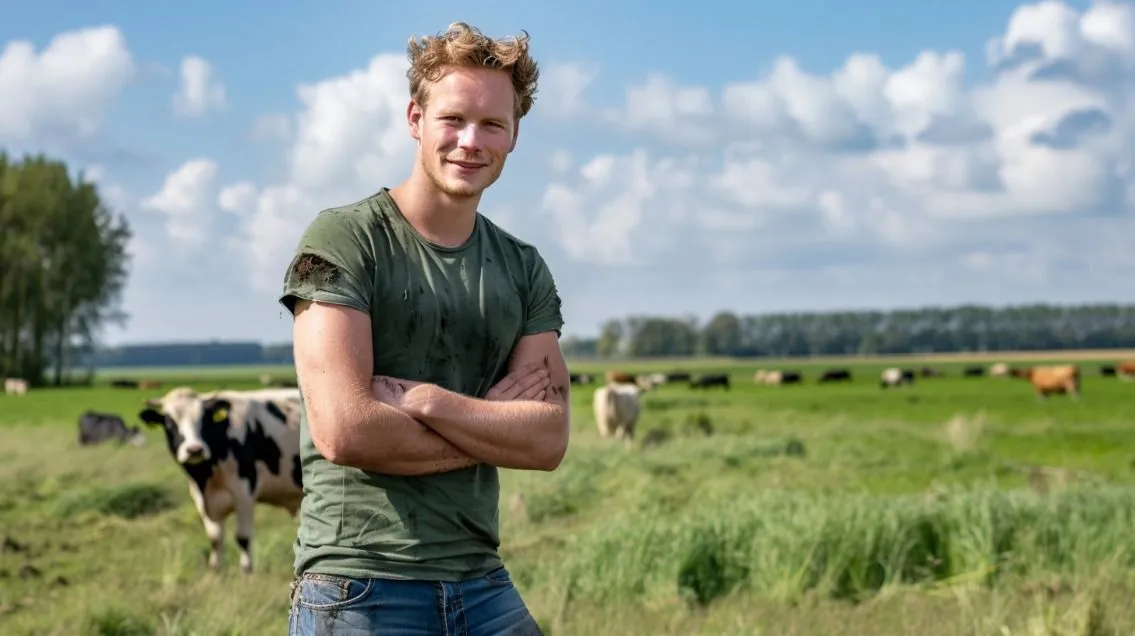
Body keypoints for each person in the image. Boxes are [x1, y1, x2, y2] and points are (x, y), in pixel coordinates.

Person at [279, 22, 569, 636]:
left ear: (515, 134)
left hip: (481, 577)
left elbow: (547, 441)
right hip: (358, 581)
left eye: (493, 123)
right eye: (453, 119)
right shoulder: (346, 240)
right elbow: (346, 430)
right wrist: (492, 425)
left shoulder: (522, 267)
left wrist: (425, 401)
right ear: (415, 118)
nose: (471, 141)